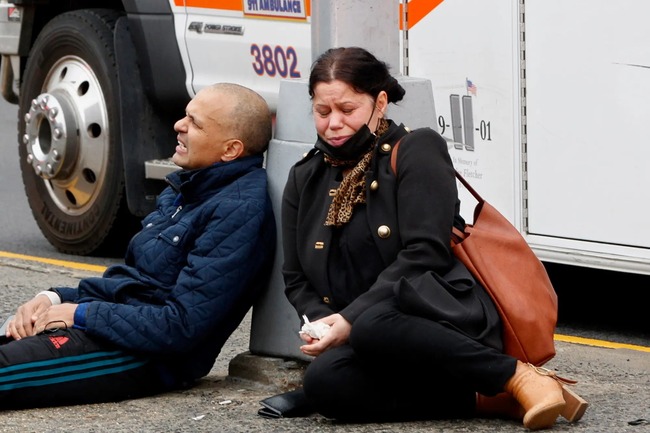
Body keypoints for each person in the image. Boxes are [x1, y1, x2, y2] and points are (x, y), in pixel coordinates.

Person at [279, 47, 588, 430]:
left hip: (438, 316)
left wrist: (351, 319)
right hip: (364, 335)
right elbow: (294, 275)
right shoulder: (304, 176)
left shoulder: (417, 148)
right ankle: (492, 397)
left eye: (347, 110)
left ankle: (518, 376)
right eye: (323, 112)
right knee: (324, 383)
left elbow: (425, 252)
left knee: (375, 322)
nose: (333, 124)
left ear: (379, 103)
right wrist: (327, 325)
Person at [0, 83, 276, 409]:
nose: (179, 126)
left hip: (145, 357)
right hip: (111, 328)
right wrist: (52, 298)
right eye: (185, 115)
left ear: (230, 150)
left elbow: (182, 326)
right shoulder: (186, 187)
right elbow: (128, 285)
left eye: (196, 123)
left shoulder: (240, 209)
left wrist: (80, 314)